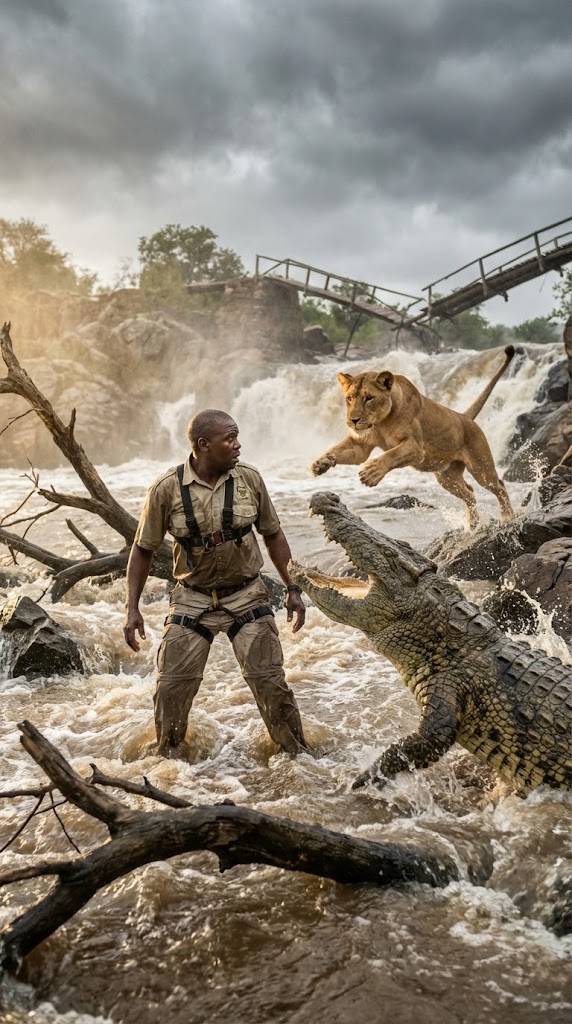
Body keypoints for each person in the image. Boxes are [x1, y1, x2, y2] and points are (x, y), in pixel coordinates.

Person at [124, 408, 310, 759]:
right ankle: (170, 763)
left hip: (247, 595)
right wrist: (131, 608)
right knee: (170, 690)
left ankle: (299, 759)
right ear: (203, 445)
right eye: (230, 439)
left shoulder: (250, 479)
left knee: (272, 686)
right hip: (191, 599)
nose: (238, 445)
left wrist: (293, 588)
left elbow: (273, 535)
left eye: (237, 436)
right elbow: (142, 550)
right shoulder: (166, 489)